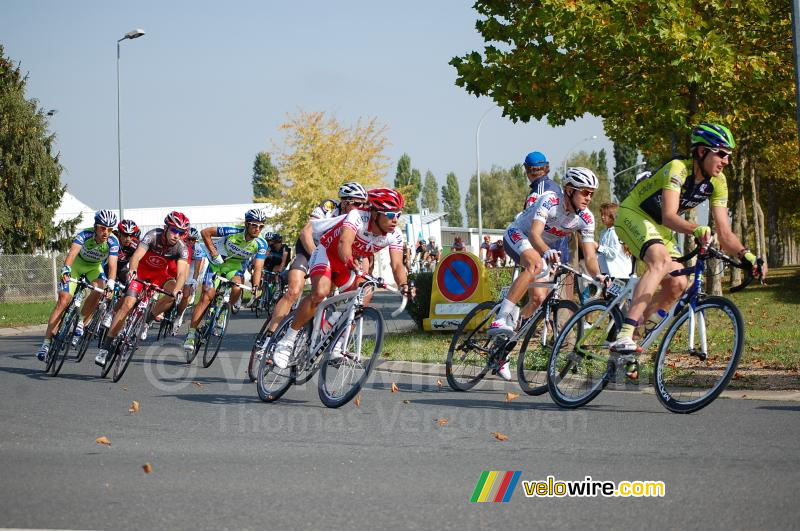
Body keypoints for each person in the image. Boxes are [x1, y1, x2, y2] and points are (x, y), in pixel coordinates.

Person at [610, 123, 766, 362]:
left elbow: (724, 232)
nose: (726, 161)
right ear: (702, 151)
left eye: (729, 156)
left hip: (660, 228)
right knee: (660, 261)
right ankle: (625, 332)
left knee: (679, 283)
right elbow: (670, 216)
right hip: (635, 213)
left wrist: (747, 255)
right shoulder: (678, 169)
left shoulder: (718, 182)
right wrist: (697, 228)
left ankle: (637, 329)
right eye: (721, 154)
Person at [271, 188, 412, 369]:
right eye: (391, 214)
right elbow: (344, 242)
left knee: (365, 294)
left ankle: (337, 345)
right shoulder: (357, 217)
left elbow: (397, 265)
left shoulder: (395, 234)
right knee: (320, 293)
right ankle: (288, 340)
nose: (395, 219)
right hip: (327, 254)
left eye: (398, 214)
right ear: (375, 213)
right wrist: (350, 261)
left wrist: (404, 284)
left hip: (349, 263)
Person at [487, 168, 605, 380]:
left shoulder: (586, 218)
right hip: (518, 236)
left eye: (591, 193)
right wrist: (546, 251)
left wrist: (600, 277)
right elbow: (534, 234)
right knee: (536, 265)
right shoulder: (550, 200)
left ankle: (502, 350)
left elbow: (589, 258)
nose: (589, 198)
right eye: (585, 192)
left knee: (538, 300)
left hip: (540, 250)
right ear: (569, 190)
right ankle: (502, 316)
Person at [259, 182, 368, 340]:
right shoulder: (329, 206)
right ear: (344, 201)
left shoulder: (360, 218)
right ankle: (269, 336)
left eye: (363, 205)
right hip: (309, 247)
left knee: (323, 295)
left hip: (331, 254)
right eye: (357, 203)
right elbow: (306, 232)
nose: (360, 208)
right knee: (294, 291)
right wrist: (314, 258)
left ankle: (310, 335)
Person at [95, 211, 190, 366]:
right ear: (166, 228)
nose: (176, 235)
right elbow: (136, 256)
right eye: (174, 230)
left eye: (180, 233)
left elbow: (181, 274)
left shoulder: (181, 248)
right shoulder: (153, 235)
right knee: (127, 305)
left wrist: (178, 289)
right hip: (141, 273)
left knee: (173, 295)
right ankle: (106, 347)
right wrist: (132, 271)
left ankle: (147, 321)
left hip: (160, 276)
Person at [37, 210, 119, 361]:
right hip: (76, 266)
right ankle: (46, 343)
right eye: (102, 228)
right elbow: (72, 254)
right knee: (63, 300)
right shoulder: (84, 235)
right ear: (95, 227)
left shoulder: (113, 241)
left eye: (110, 229)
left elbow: (113, 265)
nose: (106, 232)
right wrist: (66, 270)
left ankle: (81, 321)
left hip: (94, 268)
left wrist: (111, 284)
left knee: (99, 289)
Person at [182, 208, 268, 353]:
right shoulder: (232, 232)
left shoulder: (261, 244)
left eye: (261, 226)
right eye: (254, 225)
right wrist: (214, 253)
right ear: (247, 224)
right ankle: (191, 334)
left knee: (237, 288)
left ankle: (224, 312)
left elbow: (258, 267)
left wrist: (256, 285)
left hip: (235, 267)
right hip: (217, 263)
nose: (257, 229)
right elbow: (205, 233)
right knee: (206, 296)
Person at [175, 227, 207, 330]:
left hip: (193, 264)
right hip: (181, 261)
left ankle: (179, 316)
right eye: (188, 239)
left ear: (196, 241)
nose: (190, 241)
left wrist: (194, 281)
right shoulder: (179, 245)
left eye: (193, 239)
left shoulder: (197, 249)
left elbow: (197, 269)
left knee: (186, 292)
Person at [595, 203, 631, 279]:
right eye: (602, 214)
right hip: (608, 273)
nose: (602, 217)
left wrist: (598, 247)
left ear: (613, 216)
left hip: (619, 275)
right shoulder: (603, 232)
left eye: (605, 215)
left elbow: (613, 253)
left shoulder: (614, 232)